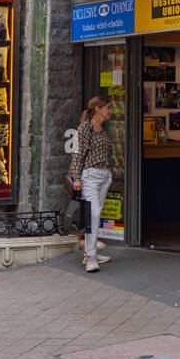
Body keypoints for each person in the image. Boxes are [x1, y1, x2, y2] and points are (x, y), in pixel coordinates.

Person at [69, 96, 115, 272]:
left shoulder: (103, 129)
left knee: (95, 215)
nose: (110, 111)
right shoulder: (85, 127)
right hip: (89, 176)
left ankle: (91, 252)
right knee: (93, 215)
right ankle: (90, 257)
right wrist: (76, 178)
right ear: (97, 108)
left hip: (104, 175)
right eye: (108, 108)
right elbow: (77, 154)